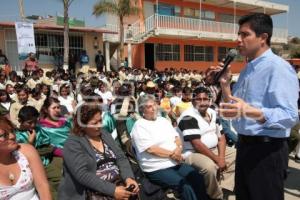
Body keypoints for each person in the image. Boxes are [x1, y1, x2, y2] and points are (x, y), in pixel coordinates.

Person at [215, 13, 299, 200]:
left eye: (245, 35)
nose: (238, 40)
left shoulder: (278, 68)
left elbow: (289, 115)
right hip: (244, 146)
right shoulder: (247, 69)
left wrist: (248, 111)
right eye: (239, 34)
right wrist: (225, 85)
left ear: (263, 38)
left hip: (267, 151)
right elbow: (236, 107)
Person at [130, 94, 208, 200]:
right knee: (185, 186)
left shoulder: (163, 120)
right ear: (142, 109)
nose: (154, 109)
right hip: (157, 168)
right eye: (149, 107)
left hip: (175, 162)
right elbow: (151, 149)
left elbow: (177, 138)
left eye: (155, 105)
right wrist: (173, 154)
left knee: (197, 177)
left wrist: (179, 149)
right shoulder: (139, 126)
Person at [58, 102, 139, 199]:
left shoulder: (104, 134)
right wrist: (112, 190)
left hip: (118, 184)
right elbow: (82, 175)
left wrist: (129, 178)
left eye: (100, 120)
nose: (99, 125)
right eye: (94, 123)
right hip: (90, 192)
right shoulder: (73, 143)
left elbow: (121, 157)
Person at [177, 86, 236, 200]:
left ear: (210, 100)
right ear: (193, 101)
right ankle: (215, 196)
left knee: (238, 155)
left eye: (205, 99)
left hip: (213, 148)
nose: (202, 102)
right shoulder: (188, 117)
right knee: (209, 167)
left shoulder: (212, 113)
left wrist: (221, 157)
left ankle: (222, 187)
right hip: (192, 153)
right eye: (199, 99)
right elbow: (197, 144)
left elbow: (221, 137)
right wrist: (218, 159)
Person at [0, 116, 52, 200]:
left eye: (12, 131)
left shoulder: (26, 151)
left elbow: (42, 186)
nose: (12, 136)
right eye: (4, 135)